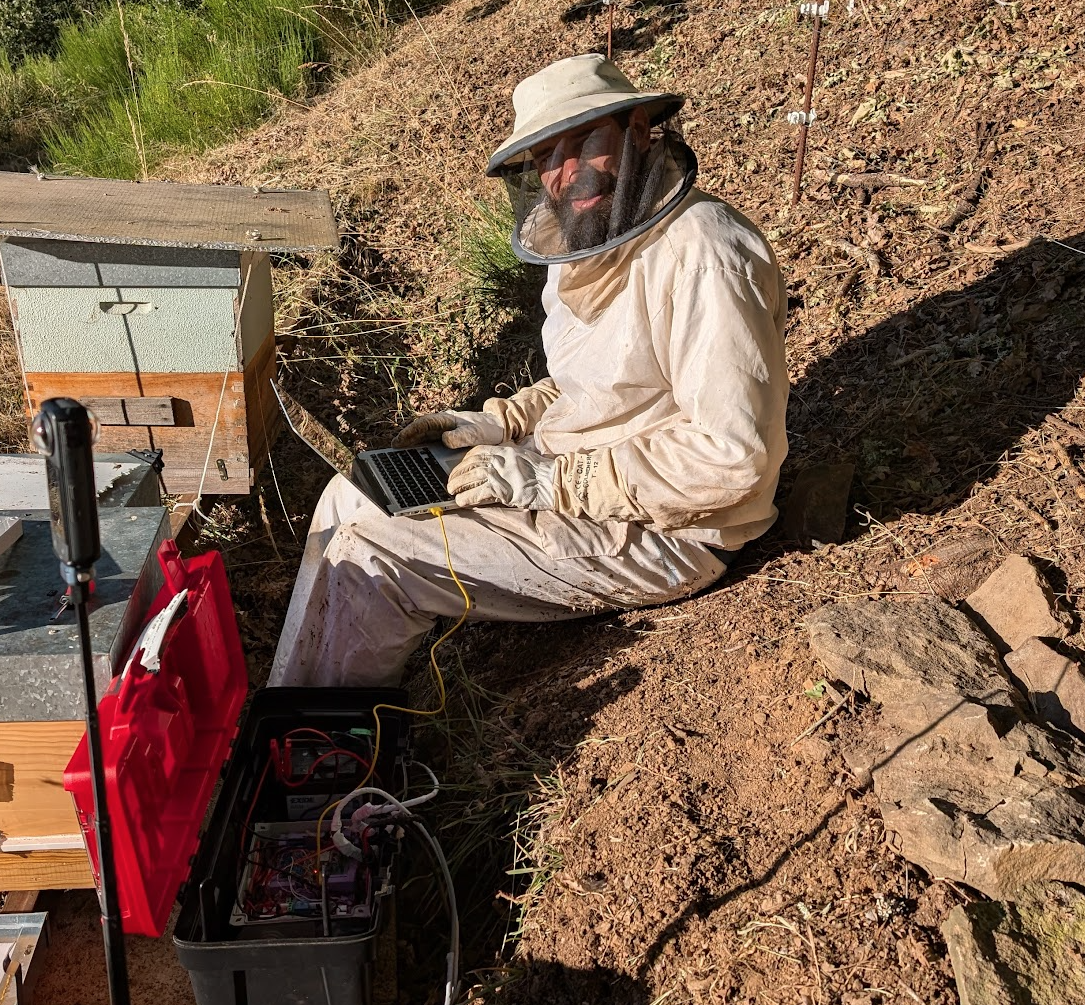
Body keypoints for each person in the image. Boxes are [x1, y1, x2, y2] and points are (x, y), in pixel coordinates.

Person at [269, 53, 788, 687]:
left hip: (664, 533)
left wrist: (547, 482)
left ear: (639, 130)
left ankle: (320, 762)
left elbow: (733, 456)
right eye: (547, 155)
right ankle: (290, 709)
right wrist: (498, 424)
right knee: (351, 493)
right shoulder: (582, 243)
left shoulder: (705, 252)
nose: (567, 172)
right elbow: (592, 387)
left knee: (372, 559)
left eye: (586, 141)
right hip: (569, 483)